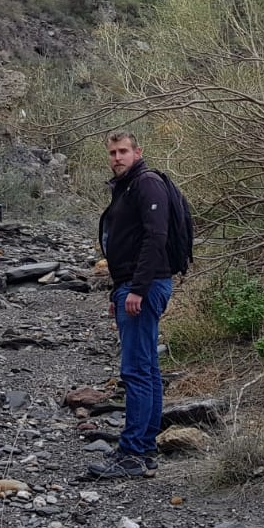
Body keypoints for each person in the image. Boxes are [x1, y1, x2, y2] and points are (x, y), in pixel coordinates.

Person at [86, 131, 175, 479]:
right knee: (147, 367)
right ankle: (145, 448)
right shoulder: (127, 187)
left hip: (145, 286)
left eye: (123, 151)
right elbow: (126, 243)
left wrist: (137, 288)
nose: (117, 157)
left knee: (136, 370)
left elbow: (156, 236)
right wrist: (118, 292)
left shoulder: (146, 184)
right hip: (134, 285)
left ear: (138, 152)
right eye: (112, 152)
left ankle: (133, 452)